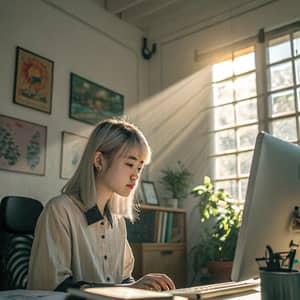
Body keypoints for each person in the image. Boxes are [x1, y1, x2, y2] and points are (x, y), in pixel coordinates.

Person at [27, 118, 175, 292]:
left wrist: (143, 288)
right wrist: (128, 288)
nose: (135, 175)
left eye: (139, 168)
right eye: (129, 164)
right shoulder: (60, 211)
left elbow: (125, 279)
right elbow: (51, 287)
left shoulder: (117, 222)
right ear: (99, 161)